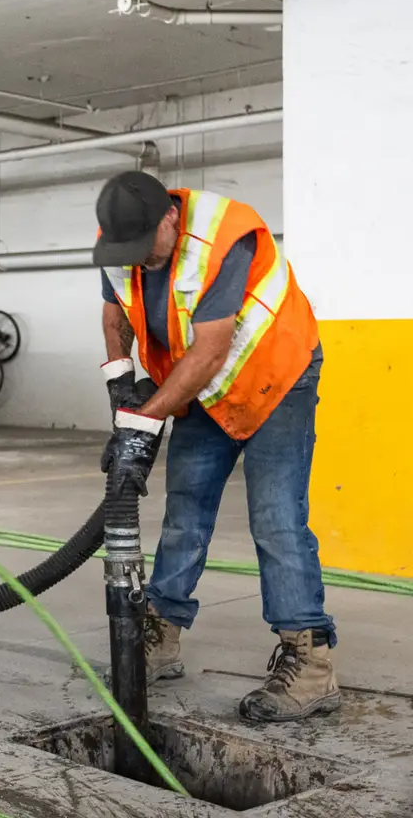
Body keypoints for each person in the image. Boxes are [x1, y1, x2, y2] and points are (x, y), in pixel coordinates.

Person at [91, 170, 340, 723]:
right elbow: (115, 314)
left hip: (276, 375)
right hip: (202, 385)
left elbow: (209, 351)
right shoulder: (121, 241)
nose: (136, 260)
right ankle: (162, 638)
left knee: (276, 519)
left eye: (145, 247)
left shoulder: (223, 236)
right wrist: (120, 387)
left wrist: (141, 423)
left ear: (170, 219)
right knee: (186, 511)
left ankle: (312, 665)